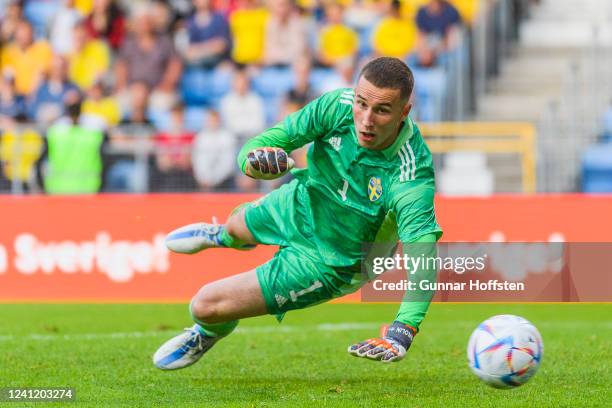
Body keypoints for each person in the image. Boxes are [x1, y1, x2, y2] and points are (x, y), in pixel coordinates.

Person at [153, 57, 442, 369]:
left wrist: (403, 329)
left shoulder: (410, 173)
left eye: (382, 110)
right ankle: (222, 234)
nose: (366, 119)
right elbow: (259, 146)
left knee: (205, 305)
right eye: (361, 103)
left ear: (404, 112)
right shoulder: (335, 106)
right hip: (300, 203)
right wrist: (256, 163)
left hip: (332, 261)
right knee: (236, 226)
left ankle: (206, 332)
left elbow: (423, 259)